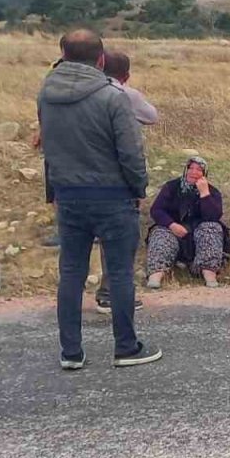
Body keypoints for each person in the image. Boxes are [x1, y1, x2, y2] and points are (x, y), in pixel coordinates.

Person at [38, 29, 161, 369]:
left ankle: (71, 353)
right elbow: (131, 153)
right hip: (111, 195)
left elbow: (49, 148)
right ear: (102, 59)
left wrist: (54, 192)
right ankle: (126, 347)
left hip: (68, 195)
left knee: (71, 273)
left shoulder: (45, 93)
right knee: (120, 272)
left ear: (63, 54)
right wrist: (139, 189)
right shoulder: (113, 97)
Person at [94, 49, 158, 312]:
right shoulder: (124, 94)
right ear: (127, 75)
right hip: (116, 179)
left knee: (78, 243)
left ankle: (71, 299)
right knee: (119, 240)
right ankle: (111, 294)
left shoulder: (86, 92)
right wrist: (138, 185)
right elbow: (151, 117)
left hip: (82, 177)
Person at [146, 156, 230, 288]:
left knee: (212, 228)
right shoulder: (171, 187)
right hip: (174, 231)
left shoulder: (212, 192)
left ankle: (209, 275)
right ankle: (156, 276)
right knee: (160, 232)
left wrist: (204, 194)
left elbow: (213, 216)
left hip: (199, 235)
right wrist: (172, 225)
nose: (193, 172)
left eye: (198, 170)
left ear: (204, 174)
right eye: (190, 168)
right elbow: (156, 210)